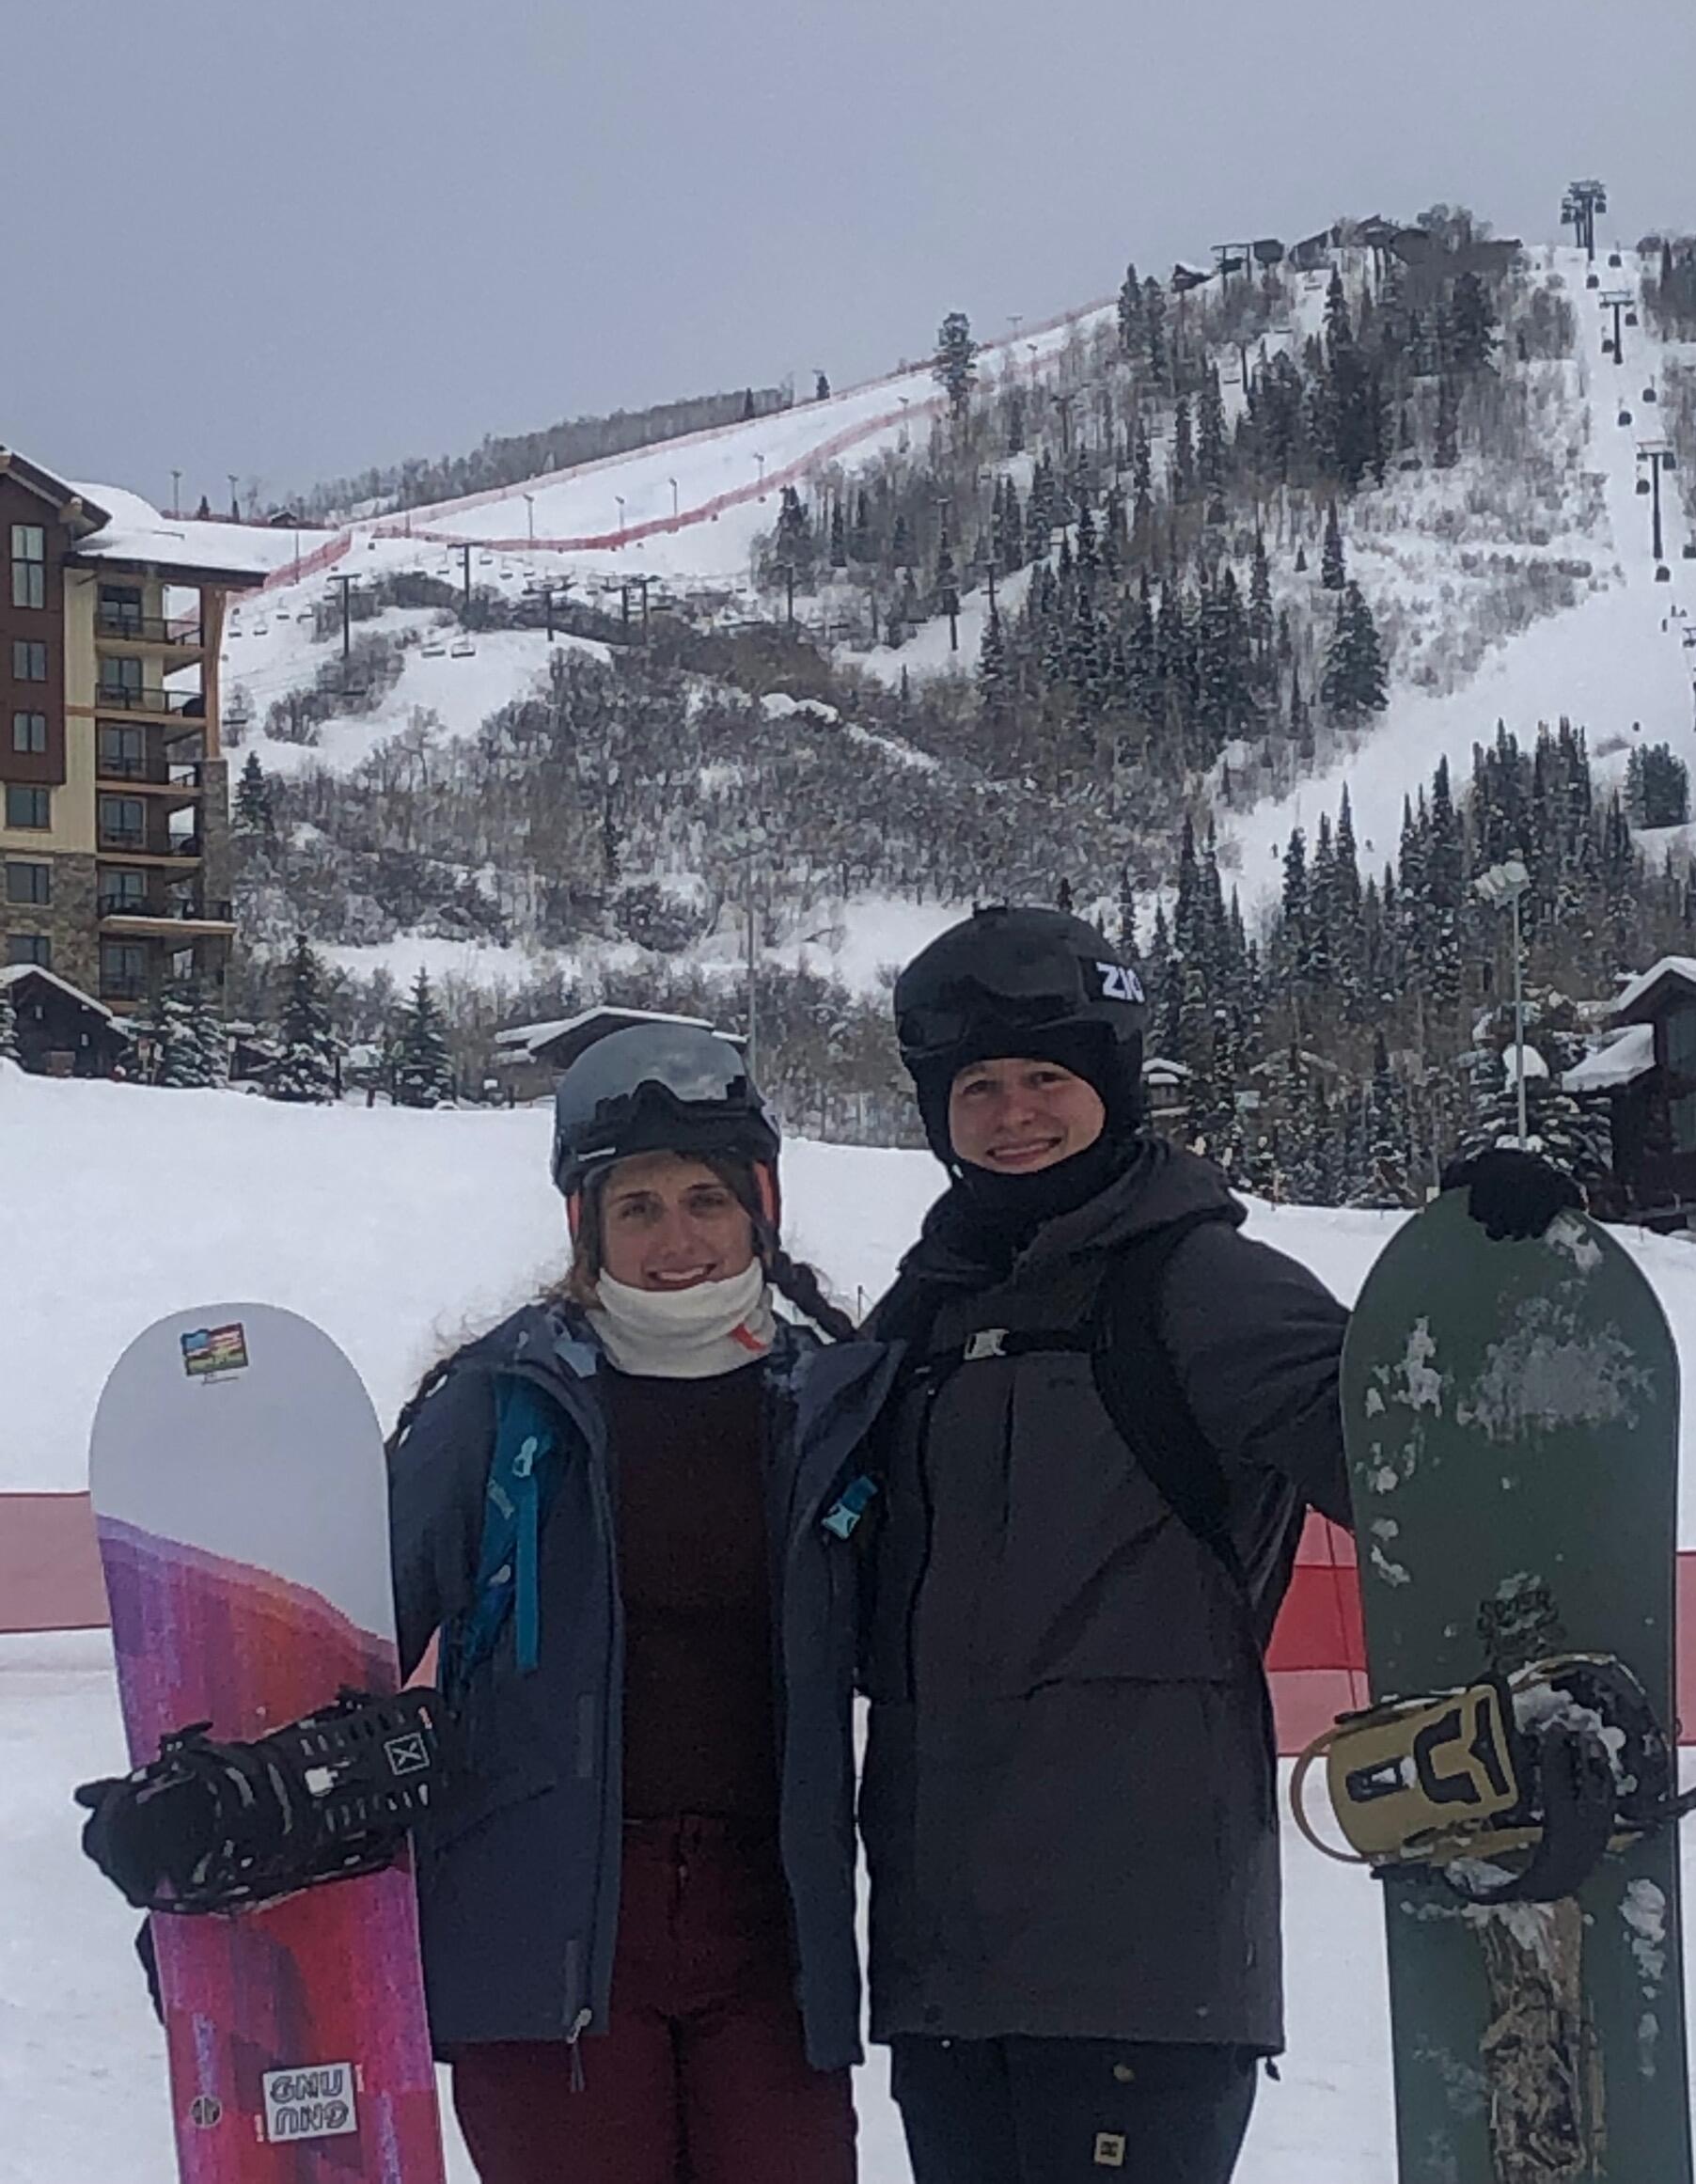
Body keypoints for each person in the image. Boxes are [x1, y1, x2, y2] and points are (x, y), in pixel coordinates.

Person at [856, 903, 1578, 2184]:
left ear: (1114, 1087)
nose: (1011, 1112)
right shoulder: (919, 1315)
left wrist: (1490, 1294)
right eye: (975, 1087)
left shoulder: (1195, 1281)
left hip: (1139, 1957)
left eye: (1045, 1078)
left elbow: (1402, 1465)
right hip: (943, 1963)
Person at [386, 1020, 876, 2183]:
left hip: (772, 1926)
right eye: (638, 1207)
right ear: (585, 1224)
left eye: (705, 1200)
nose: (676, 1241)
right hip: (544, 1934)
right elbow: (355, 1630)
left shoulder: (831, 1401)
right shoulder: (499, 1403)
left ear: (758, 1203)